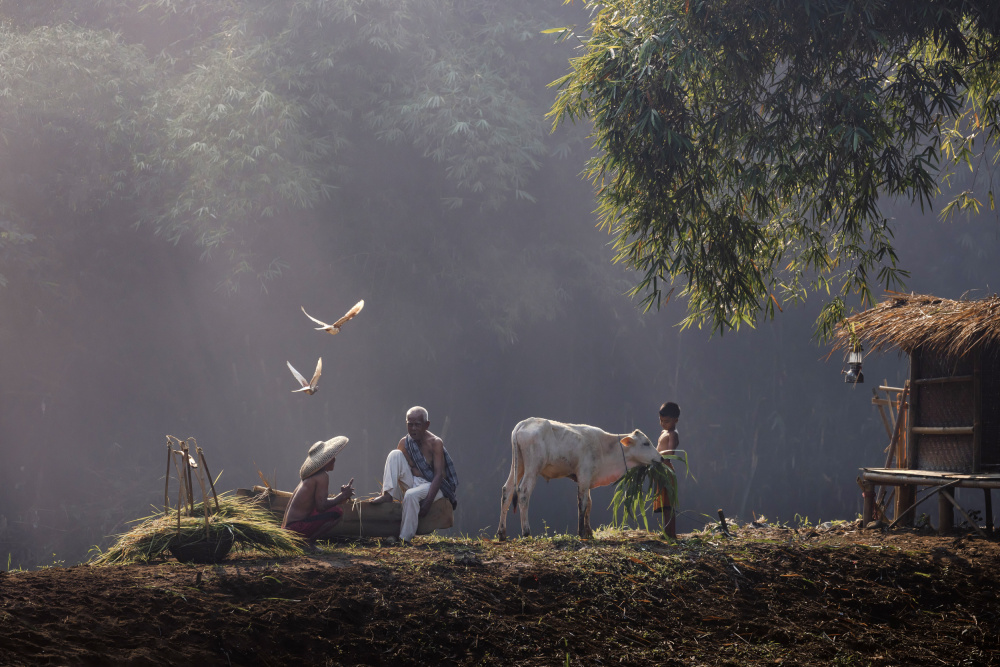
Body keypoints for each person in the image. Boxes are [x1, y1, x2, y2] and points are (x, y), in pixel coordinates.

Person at [369, 406, 458, 542]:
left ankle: (405, 539)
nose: (413, 429)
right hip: (415, 482)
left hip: (435, 486)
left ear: (426, 425)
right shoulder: (405, 442)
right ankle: (387, 495)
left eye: (418, 425)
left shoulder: (435, 443)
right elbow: (398, 471)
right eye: (410, 425)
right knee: (394, 454)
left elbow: (438, 475)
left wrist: (428, 502)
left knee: (411, 495)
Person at [282, 436, 355, 550]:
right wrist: (342, 496)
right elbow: (322, 506)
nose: (334, 459)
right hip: (295, 529)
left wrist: (340, 498)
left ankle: (305, 542)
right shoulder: (322, 476)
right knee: (337, 512)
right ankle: (308, 543)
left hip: (290, 528)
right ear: (326, 461)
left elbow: (319, 504)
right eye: (332, 457)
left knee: (332, 509)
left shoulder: (309, 478)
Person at [653, 402, 681, 538]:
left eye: (667, 421)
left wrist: (657, 458)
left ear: (675, 420)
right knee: (664, 504)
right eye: (661, 420)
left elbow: (670, 452)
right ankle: (666, 531)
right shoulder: (664, 432)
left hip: (666, 469)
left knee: (669, 505)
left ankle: (671, 533)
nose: (663, 423)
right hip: (660, 469)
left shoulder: (673, 434)